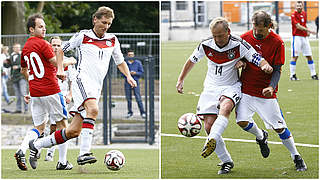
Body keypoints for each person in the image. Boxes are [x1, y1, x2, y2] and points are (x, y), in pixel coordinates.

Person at [28, 6, 137, 169]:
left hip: (96, 86)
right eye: (103, 22)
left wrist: (128, 76)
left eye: (109, 23)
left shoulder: (113, 39)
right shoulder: (83, 36)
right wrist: (59, 69)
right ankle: (83, 153)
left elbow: (120, 61)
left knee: (73, 131)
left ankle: (36, 145)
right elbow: (60, 51)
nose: (106, 26)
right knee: (93, 110)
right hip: (82, 80)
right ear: (95, 20)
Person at [176, 17, 273, 174]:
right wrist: (181, 79)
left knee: (226, 107)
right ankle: (226, 161)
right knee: (208, 126)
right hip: (210, 87)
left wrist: (265, 65)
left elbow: (255, 57)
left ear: (228, 32)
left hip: (231, 86)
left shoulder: (238, 44)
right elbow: (191, 61)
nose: (217, 39)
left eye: (220, 35)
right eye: (214, 35)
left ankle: (213, 139)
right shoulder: (206, 44)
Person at [235, 10, 307, 172]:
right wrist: (240, 62)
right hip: (246, 89)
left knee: (279, 128)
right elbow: (238, 56)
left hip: (265, 93)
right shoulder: (245, 38)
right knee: (241, 122)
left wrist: (271, 87)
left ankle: (296, 156)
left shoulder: (277, 42)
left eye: (260, 29)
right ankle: (261, 136)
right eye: (254, 27)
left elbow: (277, 69)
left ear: (268, 27)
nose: (257, 32)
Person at [14, 13, 73, 171]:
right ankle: (62, 162)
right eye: (40, 26)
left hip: (35, 92)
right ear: (31, 29)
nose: (44, 28)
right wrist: (72, 60)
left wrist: (33, 83)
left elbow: (23, 70)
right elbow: (55, 64)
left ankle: (21, 149)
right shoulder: (42, 44)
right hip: (51, 90)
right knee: (63, 126)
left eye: (44, 25)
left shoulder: (26, 47)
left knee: (39, 127)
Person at [44, 36, 76, 162]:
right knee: (50, 126)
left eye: (58, 45)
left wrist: (70, 94)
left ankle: (51, 153)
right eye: (54, 45)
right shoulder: (47, 61)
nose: (56, 47)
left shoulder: (67, 61)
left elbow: (73, 80)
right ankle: (41, 148)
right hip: (48, 96)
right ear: (50, 46)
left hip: (61, 97)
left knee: (59, 125)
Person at [289, 1, 318, 80]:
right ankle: (292, 75)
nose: (299, 7)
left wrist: (307, 32)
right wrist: (310, 30)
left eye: (300, 5)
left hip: (304, 38)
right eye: (297, 5)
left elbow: (304, 24)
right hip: (297, 37)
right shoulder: (293, 15)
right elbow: (298, 26)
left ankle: (313, 74)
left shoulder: (304, 13)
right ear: (295, 6)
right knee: (295, 56)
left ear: (302, 6)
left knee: (309, 56)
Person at [5, 43, 28, 113]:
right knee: (17, 95)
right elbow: (8, 66)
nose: (18, 49)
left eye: (19, 47)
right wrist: (5, 63)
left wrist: (18, 66)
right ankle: (18, 109)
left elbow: (26, 64)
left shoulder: (23, 55)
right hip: (14, 78)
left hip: (22, 77)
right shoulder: (11, 56)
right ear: (13, 48)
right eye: (16, 47)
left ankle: (26, 109)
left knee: (23, 93)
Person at [123, 49, 146, 119]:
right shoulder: (125, 63)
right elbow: (122, 73)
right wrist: (128, 74)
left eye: (132, 55)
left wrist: (135, 73)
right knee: (128, 98)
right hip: (127, 83)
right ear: (127, 55)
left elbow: (141, 72)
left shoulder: (138, 63)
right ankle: (130, 112)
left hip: (136, 82)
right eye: (129, 55)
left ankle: (143, 113)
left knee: (138, 98)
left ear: (134, 55)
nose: (131, 56)